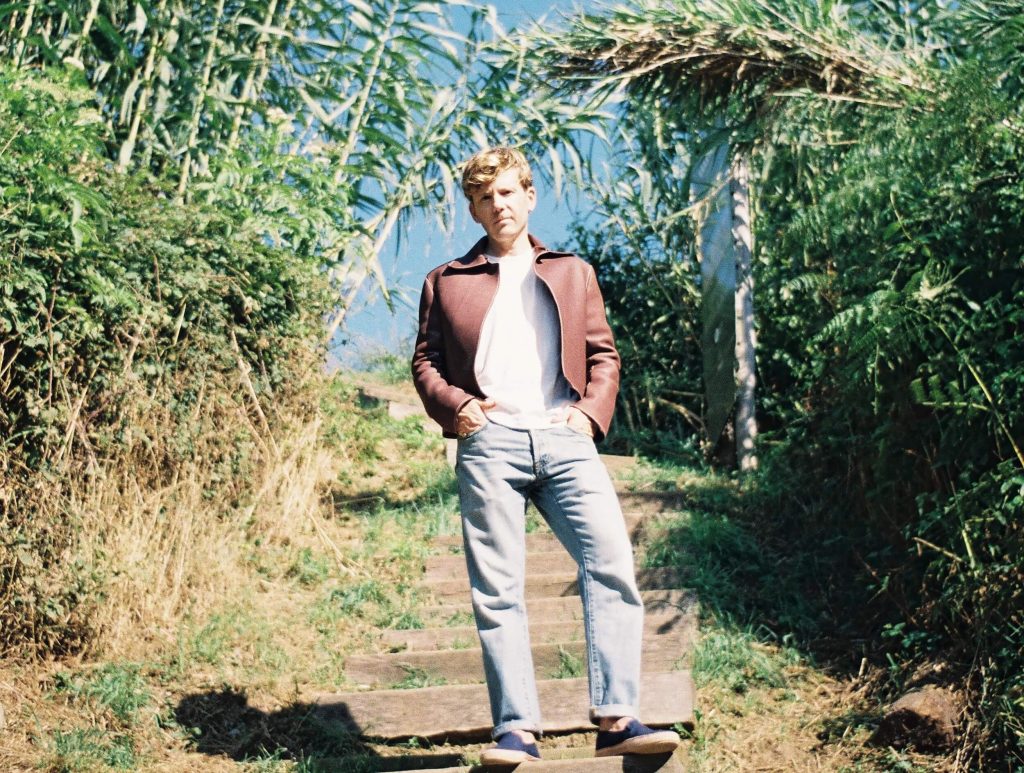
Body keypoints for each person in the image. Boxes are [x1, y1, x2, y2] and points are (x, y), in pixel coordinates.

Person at [411, 146, 680, 764]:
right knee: (497, 587)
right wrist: (460, 411)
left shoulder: (571, 270)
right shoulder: (446, 281)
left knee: (610, 562)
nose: (498, 205)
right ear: (475, 210)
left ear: (529, 196)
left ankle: (617, 718)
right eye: (484, 197)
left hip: (563, 435)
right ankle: (515, 729)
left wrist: (588, 415)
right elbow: (425, 362)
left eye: (507, 192)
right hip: (490, 441)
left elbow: (603, 354)